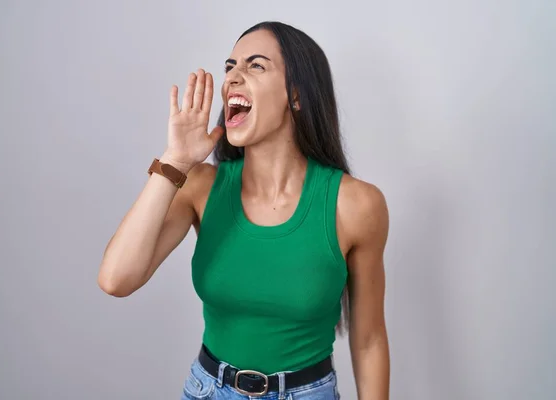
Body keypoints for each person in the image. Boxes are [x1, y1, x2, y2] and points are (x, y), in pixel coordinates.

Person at [98, 21, 390, 400]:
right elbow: (116, 279)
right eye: (230, 66)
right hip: (208, 390)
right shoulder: (201, 187)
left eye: (255, 66)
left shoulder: (356, 205)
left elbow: (368, 342)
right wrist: (175, 161)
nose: (233, 77)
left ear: (297, 95)